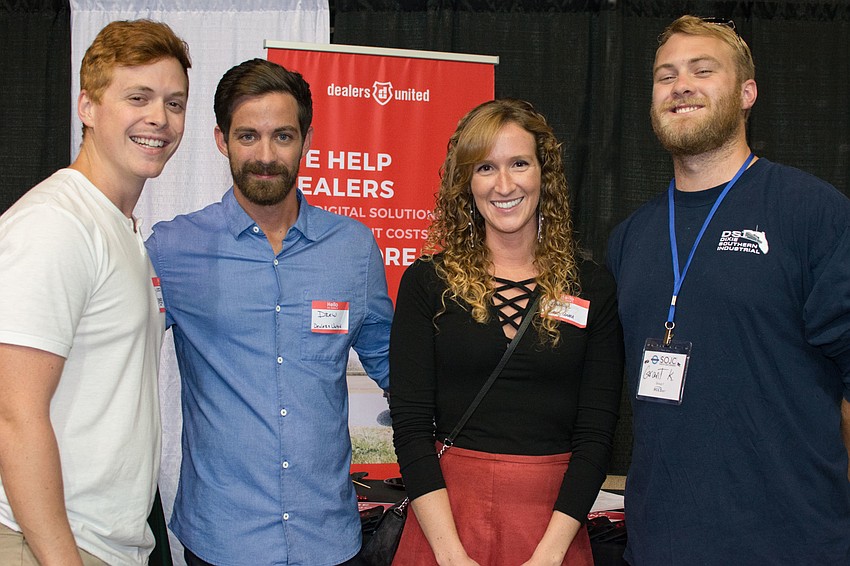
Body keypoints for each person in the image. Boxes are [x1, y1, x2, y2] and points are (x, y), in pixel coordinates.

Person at [606, 15, 850, 565]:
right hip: (658, 544)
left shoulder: (812, 214)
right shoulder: (630, 239)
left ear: (747, 93)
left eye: (702, 70)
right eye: (664, 76)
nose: (680, 85)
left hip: (794, 545)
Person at [145, 58, 393, 566]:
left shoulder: (354, 248)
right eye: (247, 136)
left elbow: (396, 368)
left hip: (330, 539)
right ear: (221, 140)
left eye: (282, 136)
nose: (265, 155)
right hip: (222, 539)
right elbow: (116, 357)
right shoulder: (173, 250)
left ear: (307, 138)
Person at [389, 99, 624, 566]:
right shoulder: (427, 282)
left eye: (519, 163)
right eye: (485, 168)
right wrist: (450, 555)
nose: (504, 184)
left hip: (553, 528)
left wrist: (550, 555)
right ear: (466, 183)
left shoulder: (591, 285)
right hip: (446, 524)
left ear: (544, 174)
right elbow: (412, 427)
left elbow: (597, 435)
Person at [0, 19, 190, 566]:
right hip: (46, 545)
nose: (159, 118)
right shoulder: (55, 225)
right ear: (87, 106)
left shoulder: (120, 230)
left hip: (99, 543)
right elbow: (14, 415)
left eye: (174, 103)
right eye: (138, 97)